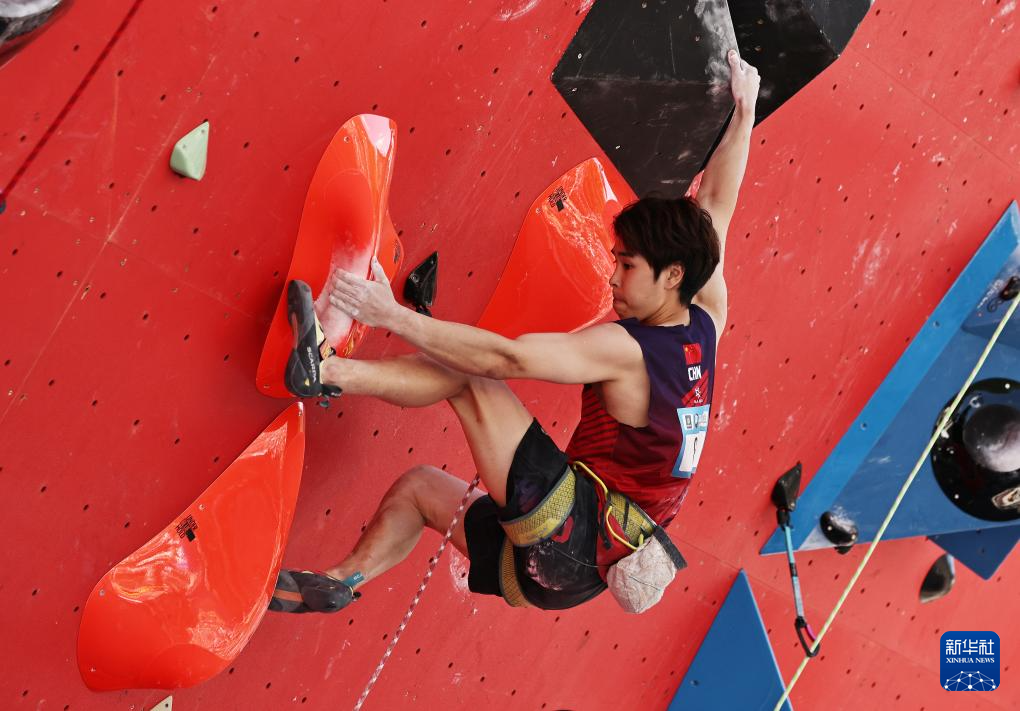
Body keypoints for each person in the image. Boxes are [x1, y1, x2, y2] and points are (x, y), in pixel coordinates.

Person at [269, 49, 760, 614]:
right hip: (569, 578)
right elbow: (715, 205)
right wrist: (743, 113)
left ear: (672, 275)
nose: (612, 277)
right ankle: (340, 581)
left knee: (472, 379)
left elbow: (506, 359)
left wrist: (393, 315)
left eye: (627, 266)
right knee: (419, 489)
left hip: (571, 532)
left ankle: (324, 369)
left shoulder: (629, 350)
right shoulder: (707, 319)